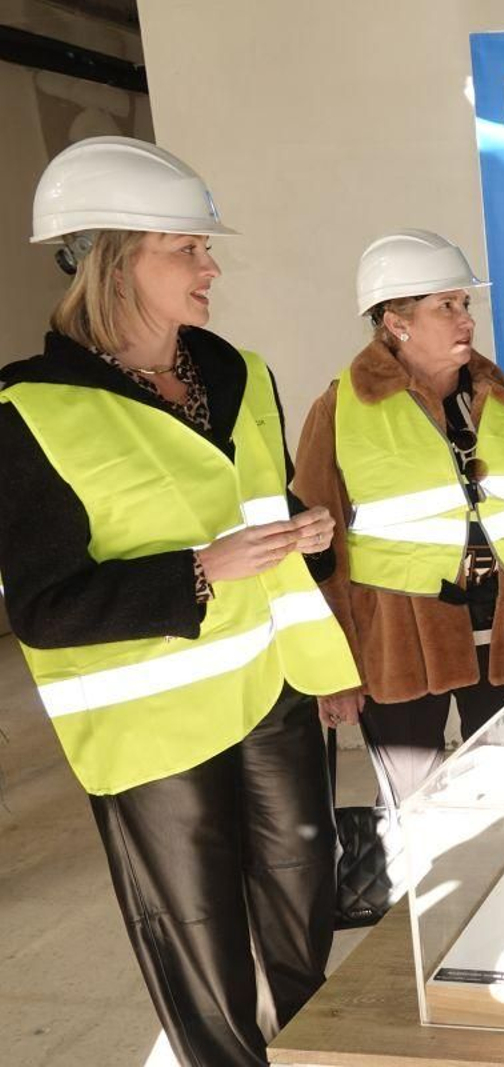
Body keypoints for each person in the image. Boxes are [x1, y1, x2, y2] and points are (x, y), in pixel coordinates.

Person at [0, 136, 359, 1066]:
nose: (214, 266)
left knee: (302, 905)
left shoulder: (239, 374)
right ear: (116, 256)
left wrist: (299, 530)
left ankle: (316, 1052)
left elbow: (251, 509)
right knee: (199, 947)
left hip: (270, 694)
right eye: (188, 249)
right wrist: (202, 568)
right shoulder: (28, 410)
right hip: (150, 731)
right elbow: (44, 607)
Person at [294, 229, 504, 800]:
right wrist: (333, 669)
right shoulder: (340, 409)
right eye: (444, 305)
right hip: (402, 643)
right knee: (413, 806)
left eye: (464, 303)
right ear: (395, 321)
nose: (464, 318)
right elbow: (317, 554)